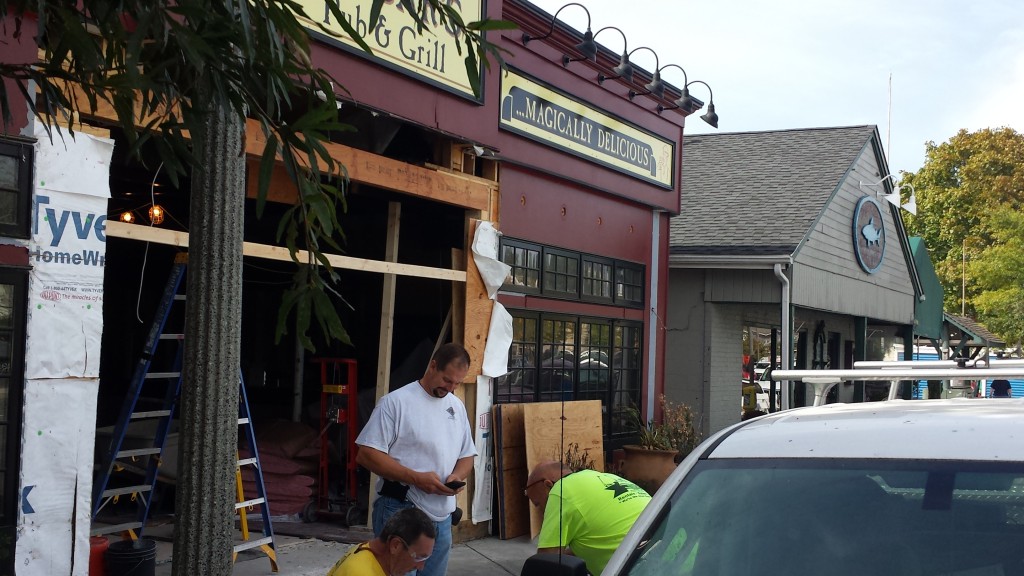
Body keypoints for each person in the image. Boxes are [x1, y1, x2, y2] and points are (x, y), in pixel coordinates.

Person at [355, 343, 477, 576]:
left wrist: (456, 476)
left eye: (457, 383)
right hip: (400, 508)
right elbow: (366, 454)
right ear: (432, 365)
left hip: (442, 517)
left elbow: (467, 455)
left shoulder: (456, 407)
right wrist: (415, 478)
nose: (450, 388)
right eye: (447, 380)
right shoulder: (396, 402)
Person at [525, 461, 652, 576]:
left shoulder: (560, 491)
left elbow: (546, 563)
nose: (541, 512)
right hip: (663, 553)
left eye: (538, 504)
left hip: (637, 567)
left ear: (548, 485)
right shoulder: (600, 477)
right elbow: (603, 537)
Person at [326, 507, 436, 576]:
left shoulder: (366, 549)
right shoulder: (360, 572)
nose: (421, 566)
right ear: (395, 545)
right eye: (419, 557)